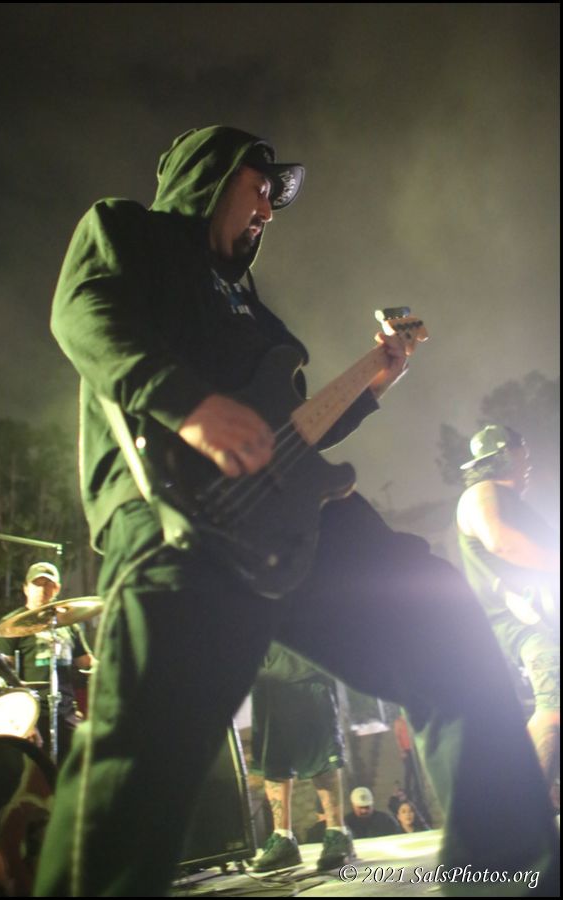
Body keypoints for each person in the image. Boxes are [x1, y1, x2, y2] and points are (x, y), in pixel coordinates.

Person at [35, 125, 558, 897]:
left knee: (441, 620)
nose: (269, 211)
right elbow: (81, 313)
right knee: (145, 750)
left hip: (292, 517)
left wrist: (377, 377)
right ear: (208, 178)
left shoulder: (254, 312)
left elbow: (293, 428)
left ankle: (509, 880)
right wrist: (187, 404)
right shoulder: (128, 231)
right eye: (258, 187)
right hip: (179, 510)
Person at [457, 425, 560, 806]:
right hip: (528, 624)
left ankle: (534, 800)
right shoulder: (481, 493)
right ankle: (523, 806)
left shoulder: (508, 498)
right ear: (503, 455)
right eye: (521, 452)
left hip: (542, 620)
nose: (527, 461)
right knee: (554, 706)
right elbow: (500, 541)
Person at [250, 641, 353, 872]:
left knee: (321, 756)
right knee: (272, 762)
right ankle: (283, 838)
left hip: (304, 669)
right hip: (265, 677)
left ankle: (337, 832)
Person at [0, 562, 94, 763]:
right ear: (26, 588)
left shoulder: (69, 625)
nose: (42, 589)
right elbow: (1, 677)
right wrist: (24, 721)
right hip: (32, 715)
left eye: (48, 584)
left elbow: (87, 662)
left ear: (56, 589)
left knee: (80, 767)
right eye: (37, 584)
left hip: (66, 712)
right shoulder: (11, 626)